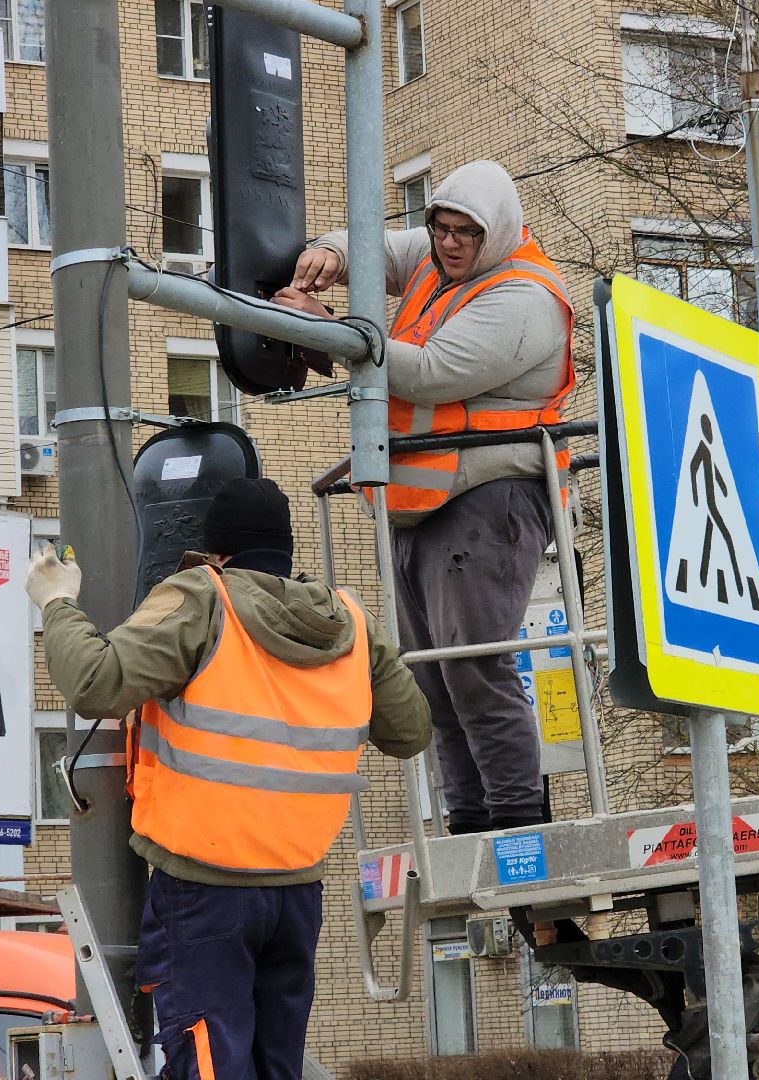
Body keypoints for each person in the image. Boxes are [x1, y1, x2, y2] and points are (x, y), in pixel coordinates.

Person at [25, 477, 431, 1080]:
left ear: (216, 555)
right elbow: (410, 732)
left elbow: (97, 684)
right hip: (297, 889)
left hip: (204, 891)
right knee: (276, 1066)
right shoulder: (348, 621)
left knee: (210, 1064)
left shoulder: (203, 598)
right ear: (286, 553)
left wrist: (57, 602)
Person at [271, 159, 573, 834]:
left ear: (494, 233)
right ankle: (468, 821)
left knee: (472, 669)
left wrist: (328, 330)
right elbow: (377, 248)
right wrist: (331, 251)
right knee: (434, 681)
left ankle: (516, 825)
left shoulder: (523, 298)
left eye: (466, 232)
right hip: (426, 503)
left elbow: (432, 373)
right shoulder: (438, 260)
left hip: (490, 501)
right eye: (440, 228)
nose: (449, 244)